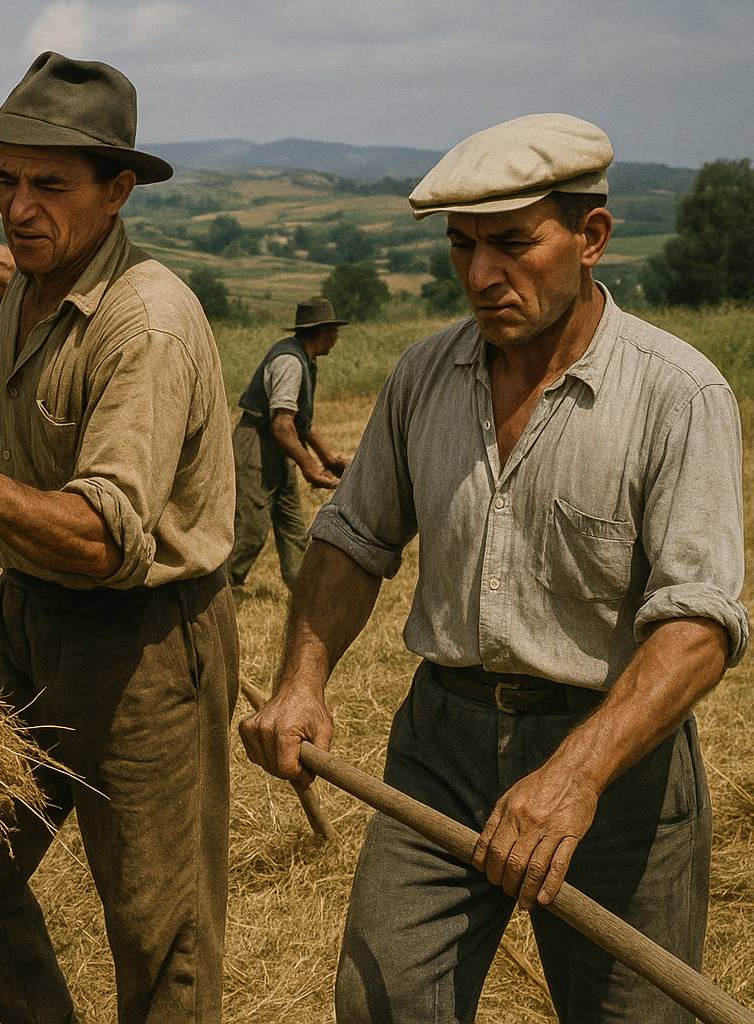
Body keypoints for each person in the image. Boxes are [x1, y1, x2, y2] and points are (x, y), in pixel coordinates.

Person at [240, 114, 747, 1023]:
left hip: (614, 761)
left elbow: (699, 626)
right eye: (462, 245)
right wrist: (300, 678)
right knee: (381, 1005)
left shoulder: (677, 395)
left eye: (514, 244)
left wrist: (574, 777)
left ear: (591, 238)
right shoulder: (423, 377)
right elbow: (352, 538)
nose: (480, 275)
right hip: (442, 748)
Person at [0, 52, 238, 1024]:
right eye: (4, 181)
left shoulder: (152, 327)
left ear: (119, 191)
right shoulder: (43, 275)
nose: (20, 207)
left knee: (158, 935)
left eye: (50, 185)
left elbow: (107, 539)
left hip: (145, 647)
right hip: (24, 625)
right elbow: (40, 296)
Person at [228, 295, 351, 591]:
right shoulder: (290, 363)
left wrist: (329, 459)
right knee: (250, 530)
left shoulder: (305, 360)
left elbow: (301, 424)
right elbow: (282, 426)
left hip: (277, 448)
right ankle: (220, 590)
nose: (336, 336)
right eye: (333, 330)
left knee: (293, 526)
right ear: (320, 332)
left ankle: (303, 590)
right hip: (255, 445)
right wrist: (309, 466)